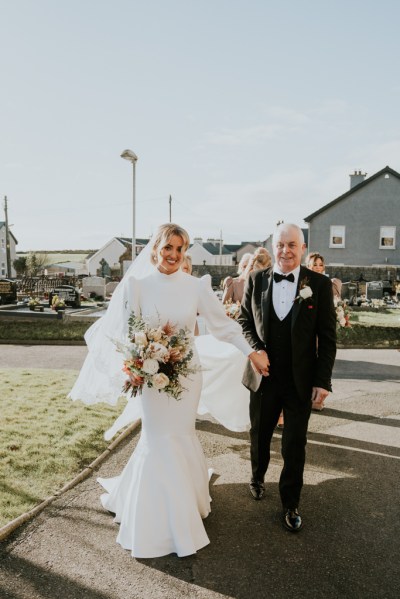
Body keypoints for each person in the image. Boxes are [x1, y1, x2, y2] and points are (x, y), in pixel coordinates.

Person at [69, 223, 269, 558]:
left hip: (187, 378)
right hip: (149, 380)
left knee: (179, 436)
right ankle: (155, 520)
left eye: (180, 249)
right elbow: (123, 334)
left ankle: (181, 508)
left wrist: (252, 351)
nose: (174, 255)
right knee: (157, 438)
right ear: (155, 249)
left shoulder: (196, 287)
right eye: (168, 248)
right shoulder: (136, 285)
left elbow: (223, 326)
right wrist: (132, 365)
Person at [239, 223, 336, 532]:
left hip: (300, 380)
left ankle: (290, 503)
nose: (285, 250)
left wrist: (322, 381)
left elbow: (328, 338)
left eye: (292, 245)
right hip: (263, 376)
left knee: (295, 443)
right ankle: (257, 475)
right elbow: (243, 321)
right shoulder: (255, 280)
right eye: (281, 245)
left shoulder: (318, 285)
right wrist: (255, 350)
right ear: (274, 246)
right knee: (260, 435)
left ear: (303, 248)